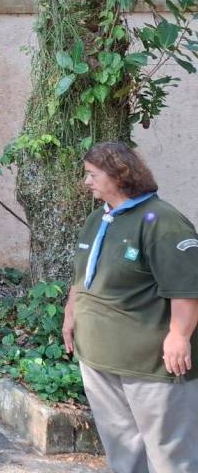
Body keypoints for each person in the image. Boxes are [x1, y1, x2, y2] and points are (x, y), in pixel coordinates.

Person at [62, 141, 198, 472]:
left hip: (151, 367)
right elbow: (82, 276)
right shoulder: (98, 219)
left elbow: (187, 289)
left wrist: (179, 335)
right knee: (122, 451)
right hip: (98, 359)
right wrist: (70, 315)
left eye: (92, 174)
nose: (86, 182)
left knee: (170, 454)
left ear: (119, 175)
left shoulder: (162, 222)